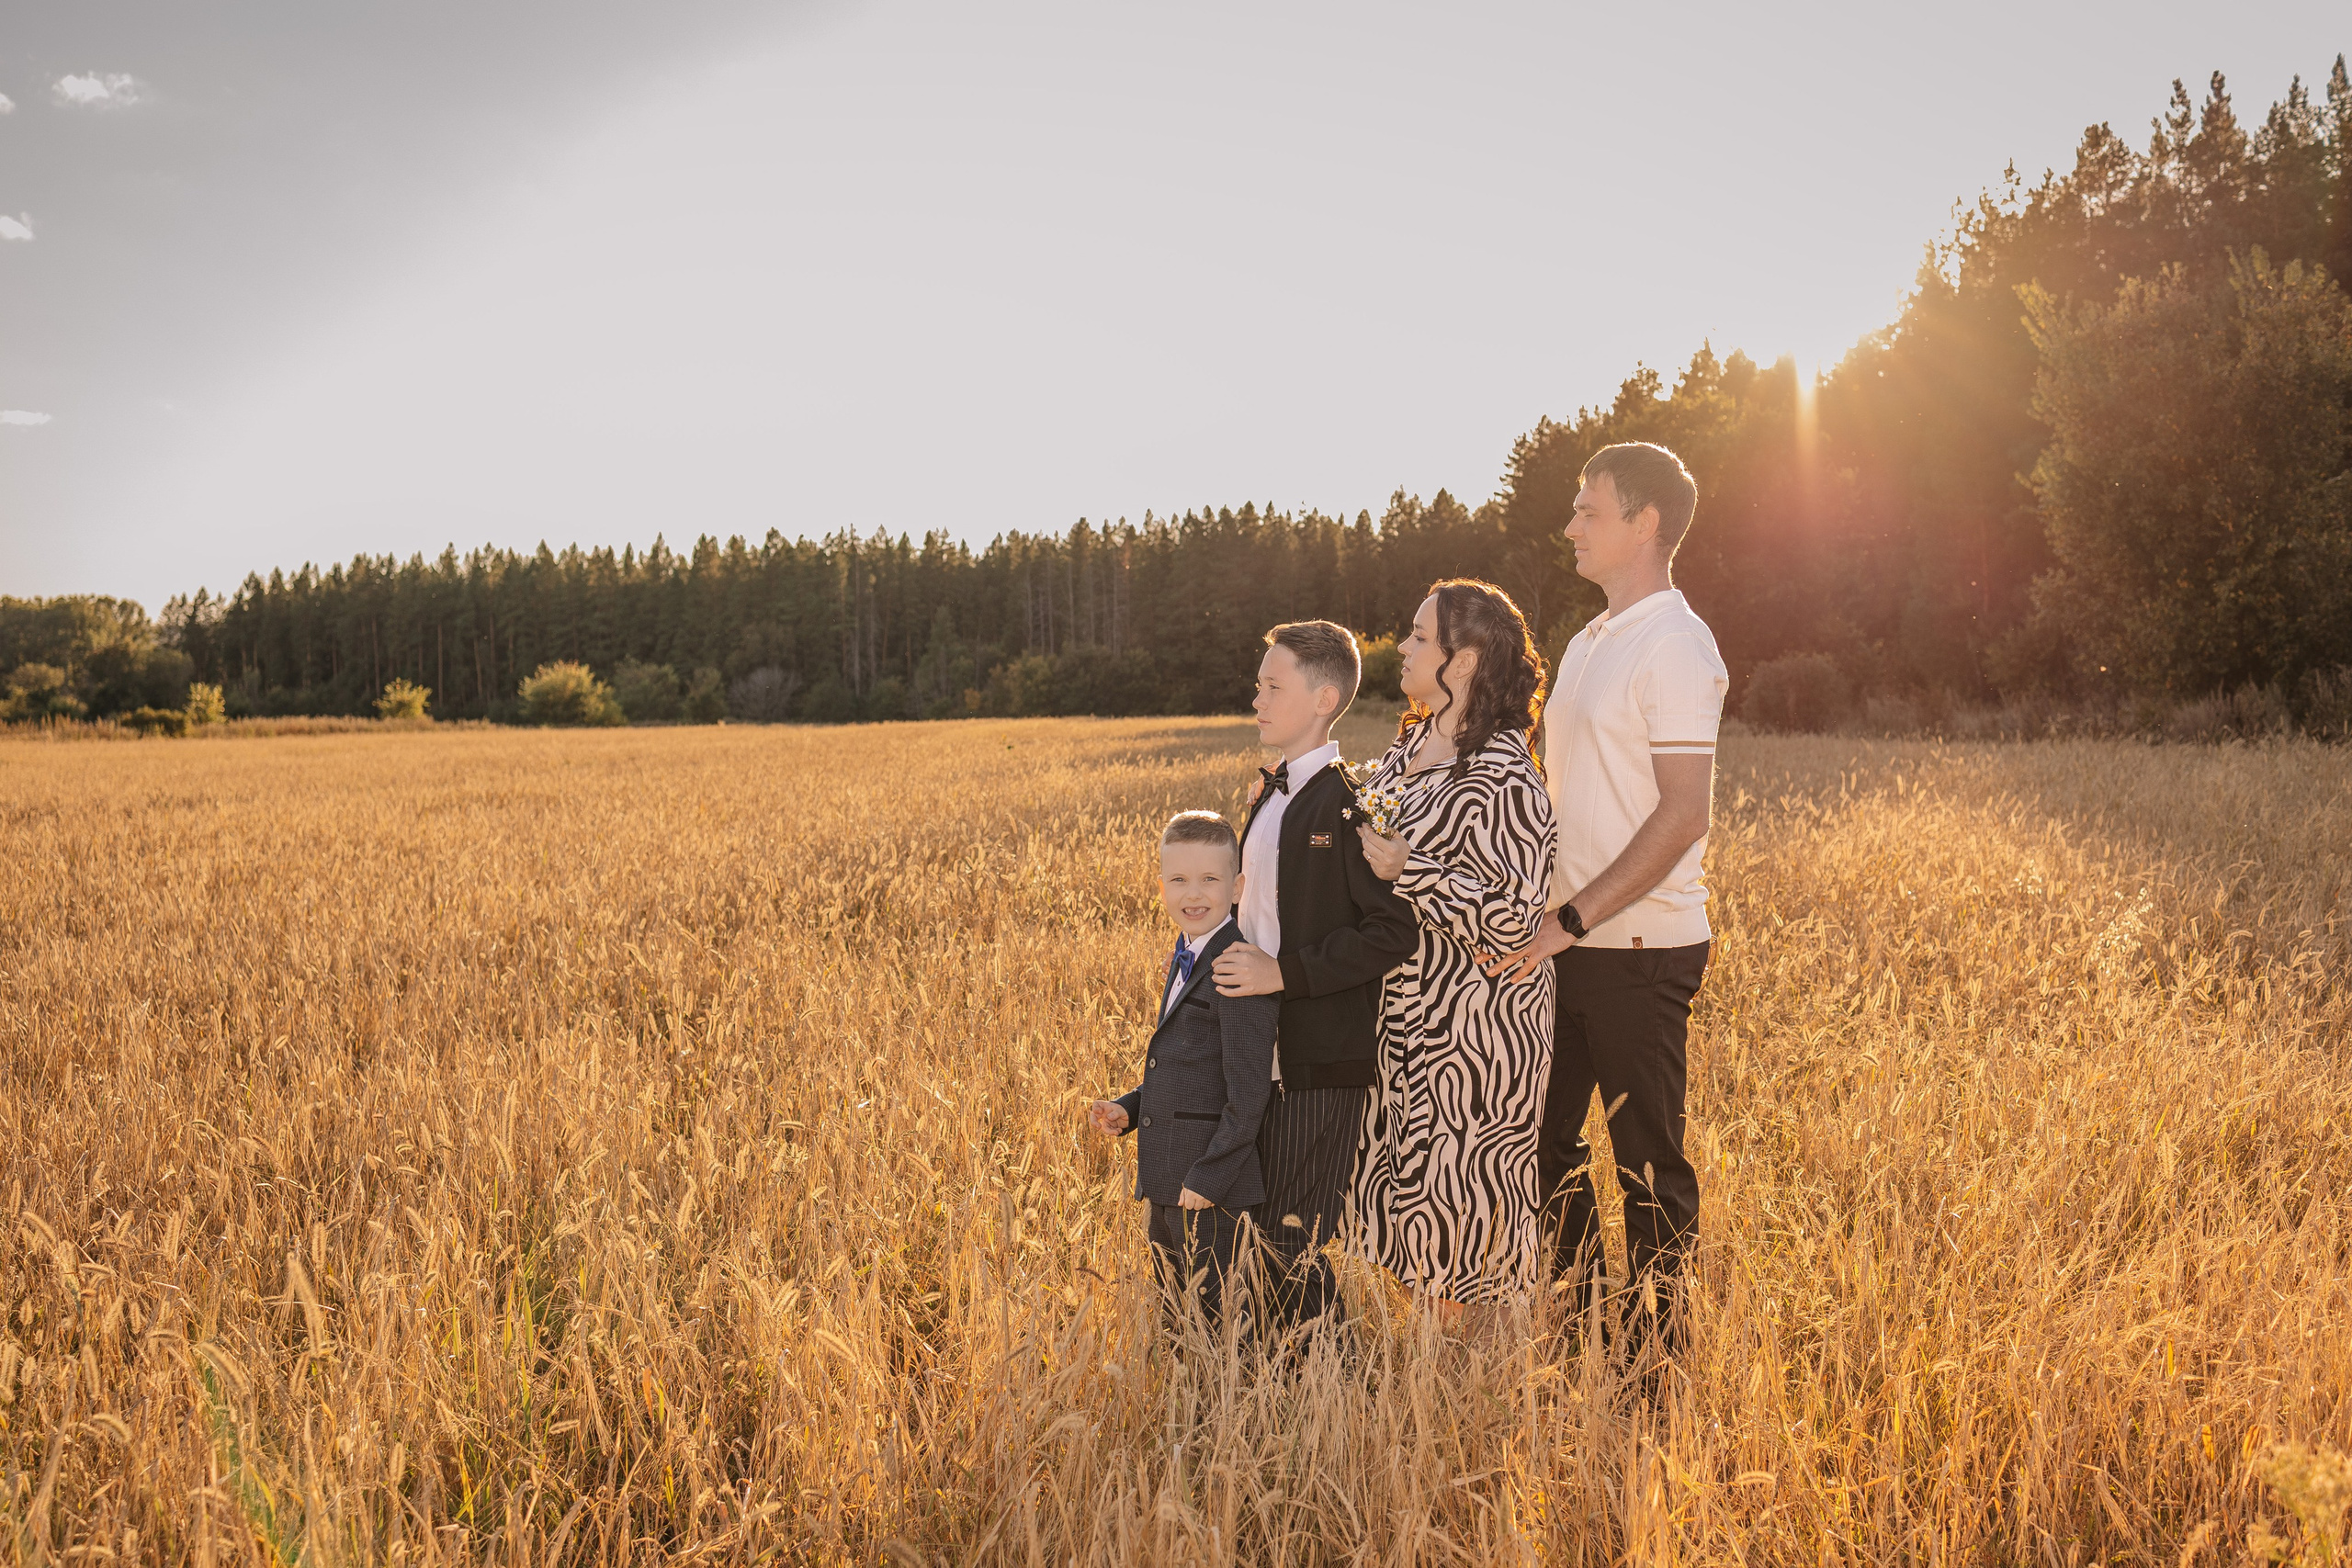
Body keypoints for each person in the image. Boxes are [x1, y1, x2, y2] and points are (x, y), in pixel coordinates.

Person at [1487, 441, 1728, 1357]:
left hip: (1637, 950)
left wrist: (1571, 918)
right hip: (1567, 945)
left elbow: (1681, 815)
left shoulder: (1674, 645)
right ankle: (1584, 1327)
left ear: (1645, 523)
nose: (1571, 525)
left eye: (1589, 509)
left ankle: (1656, 1367)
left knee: (1648, 1171)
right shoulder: (1591, 641)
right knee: (1539, 1147)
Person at [1349, 580, 1557, 1306]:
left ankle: (1493, 1388)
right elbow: (1364, 820)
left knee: (1473, 1208)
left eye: (1417, 637)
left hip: (1476, 1033)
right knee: (1412, 1205)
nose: (1402, 647)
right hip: (1403, 1016)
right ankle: (1433, 1389)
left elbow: (1513, 916)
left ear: (1463, 662)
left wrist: (1414, 870)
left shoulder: (1506, 777)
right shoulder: (1412, 742)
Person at [1209, 621, 1418, 1334]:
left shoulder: (1346, 803)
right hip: (1257, 1052)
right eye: (1259, 684)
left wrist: (1283, 974)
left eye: (1275, 685)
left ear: (1324, 697)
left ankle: (1341, 1392)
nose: (1258, 697)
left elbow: (1392, 931)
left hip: (1320, 1059)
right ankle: (1284, 1398)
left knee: (1289, 1239)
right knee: (1255, 1229)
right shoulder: (1270, 797)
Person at [1088, 811, 1281, 1329]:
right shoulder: (1187, 956)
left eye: (1210, 879)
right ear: (1161, 887)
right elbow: (1186, 1070)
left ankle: (1226, 1412)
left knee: (1217, 1329)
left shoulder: (1238, 964)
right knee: (1178, 1322)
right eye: (1178, 880)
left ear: (1238, 886)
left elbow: (1248, 1094)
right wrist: (1129, 1109)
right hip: (1166, 1179)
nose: (1193, 894)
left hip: (1209, 1189)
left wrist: (1210, 1176)